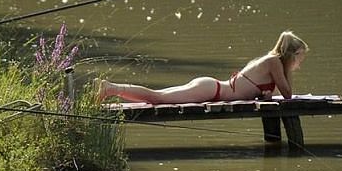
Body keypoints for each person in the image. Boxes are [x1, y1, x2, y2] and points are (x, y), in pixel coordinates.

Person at [96, 31, 309, 104]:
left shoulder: (271, 62)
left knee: (157, 96)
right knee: (157, 98)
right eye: (300, 57)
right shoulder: (274, 62)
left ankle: (110, 88)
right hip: (211, 90)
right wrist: (288, 69)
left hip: (210, 87)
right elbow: (288, 95)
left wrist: (264, 95)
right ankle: (111, 88)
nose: (301, 62)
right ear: (292, 54)